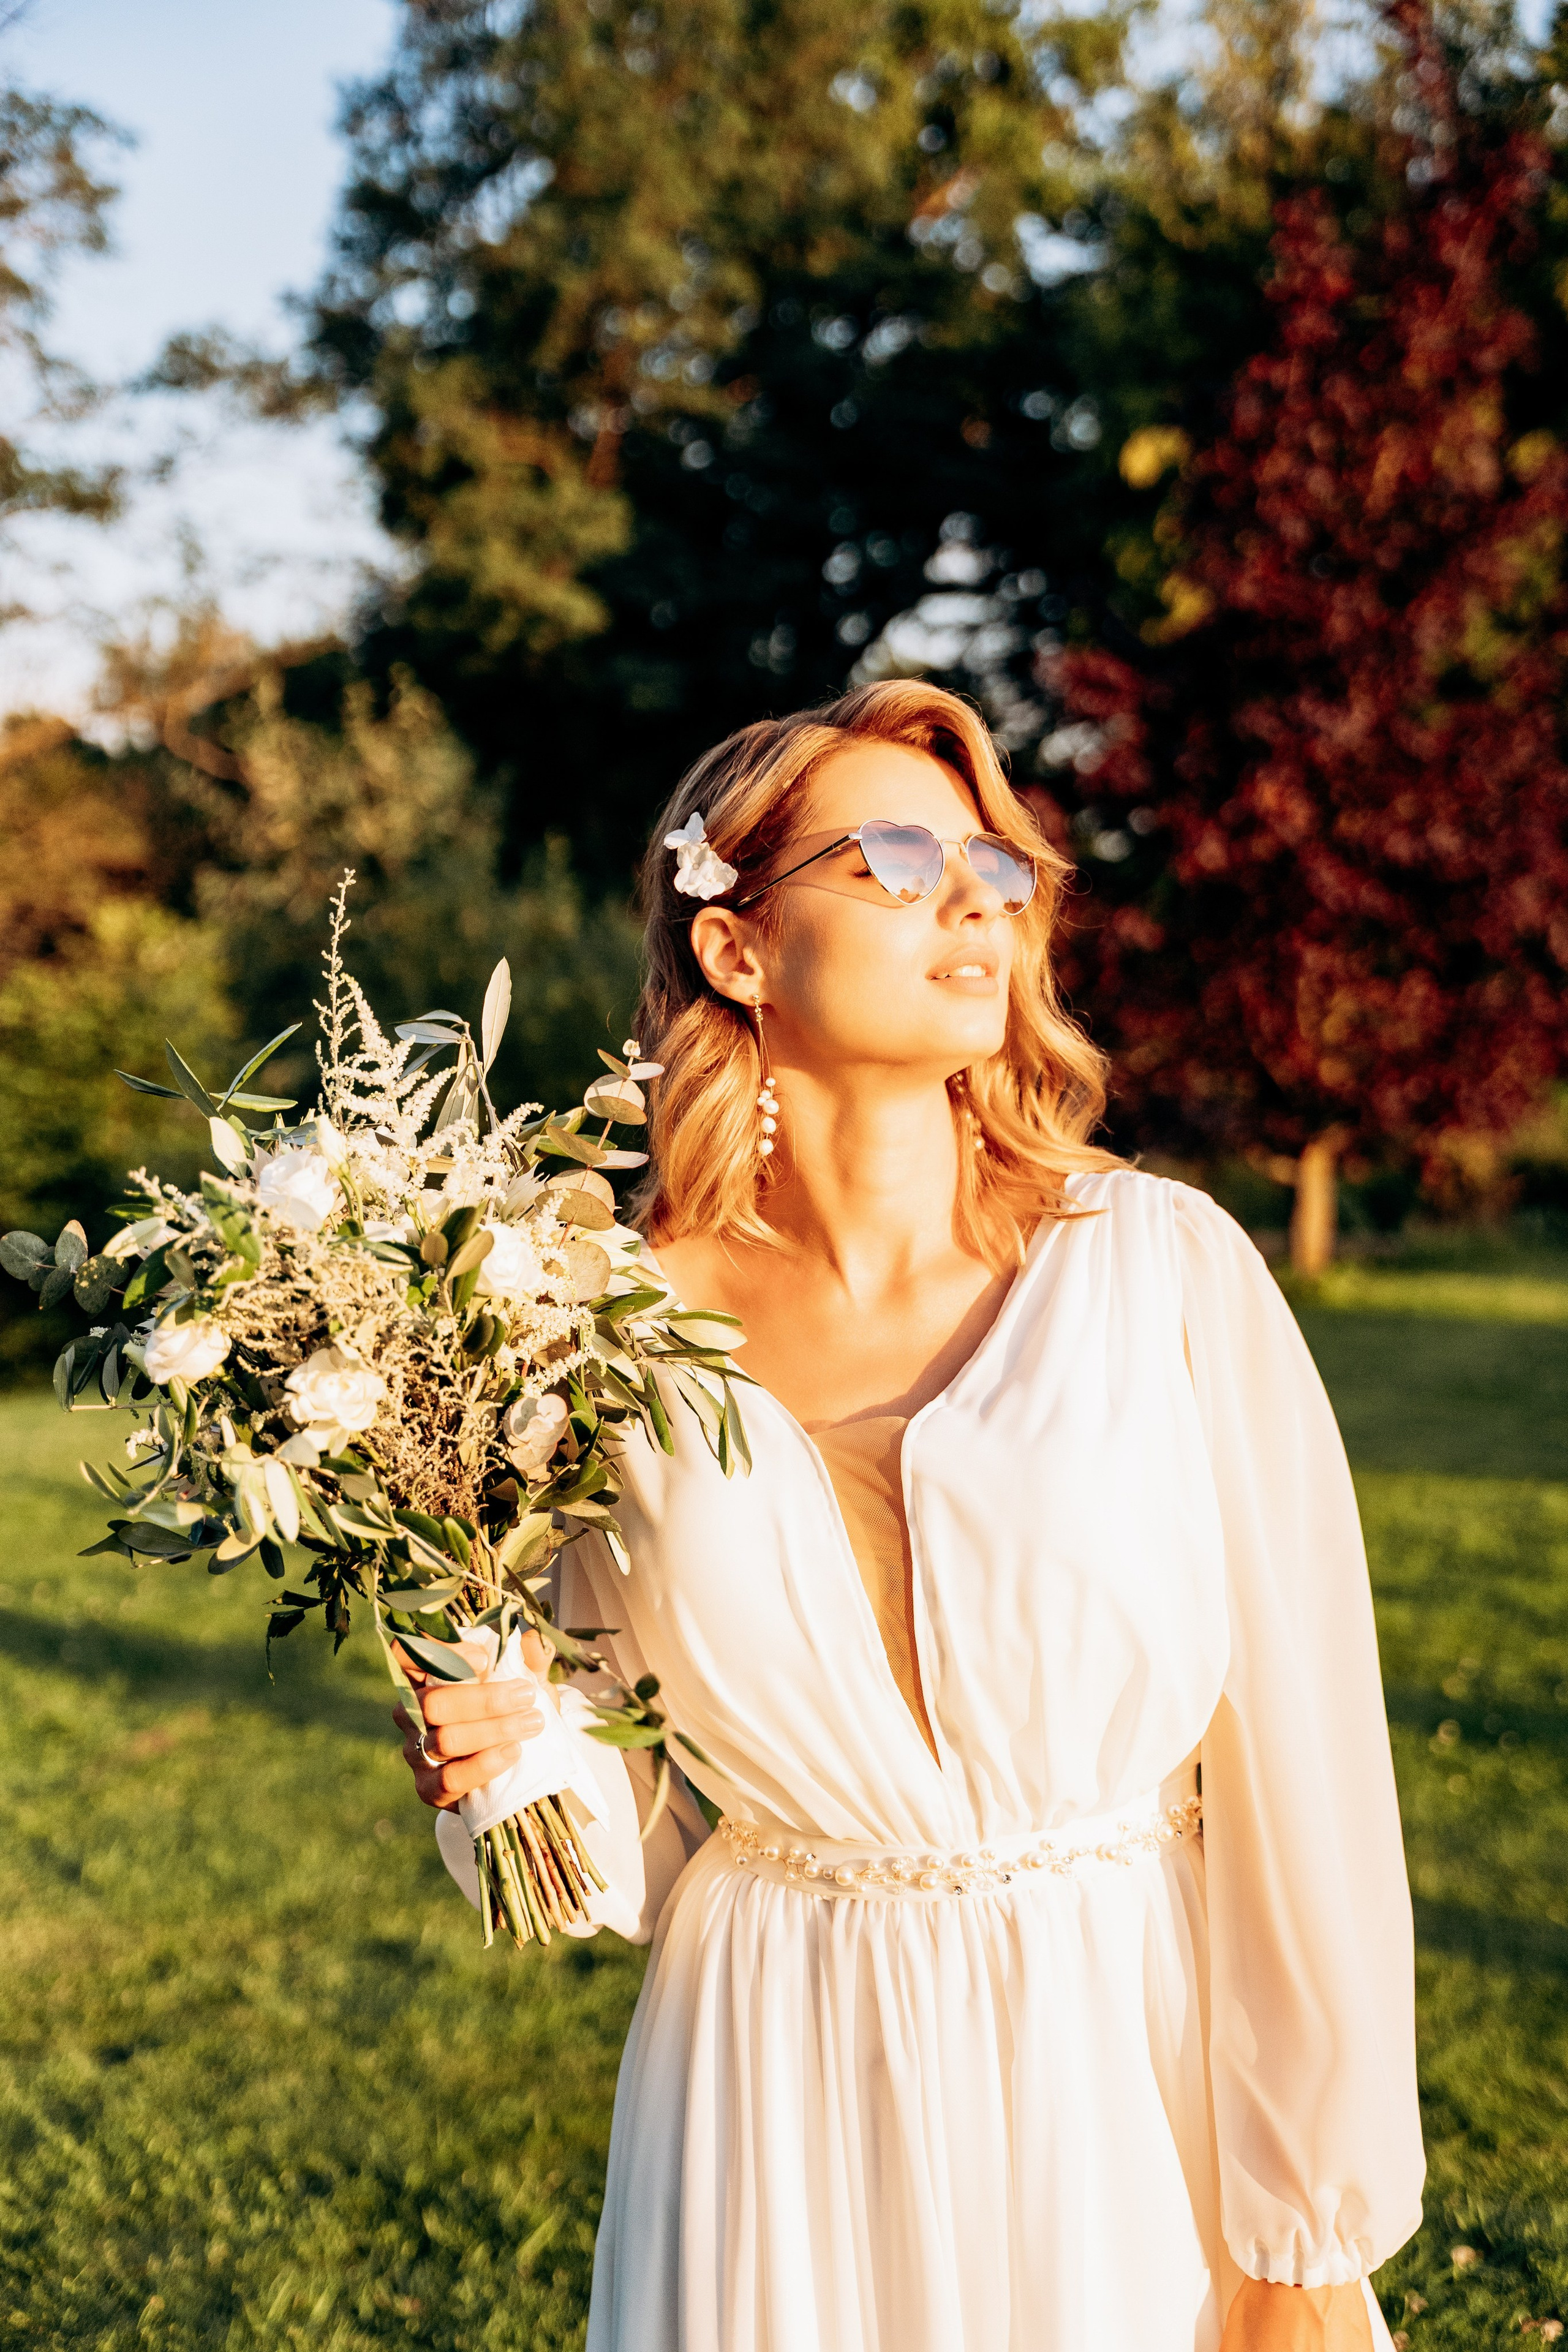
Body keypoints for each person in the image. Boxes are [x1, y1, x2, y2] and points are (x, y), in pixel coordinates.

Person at [393, 680, 1425, 2352]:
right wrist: (503, 1751)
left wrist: (1306, 2236)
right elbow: (631, 1829)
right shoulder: (592, 1334)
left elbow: (1312, 1779)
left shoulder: (1158, 1272)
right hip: (770, 2085)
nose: (974, 902)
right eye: (893, 858)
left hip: (1119, 2063)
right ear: (738, 947)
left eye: (995, 867)